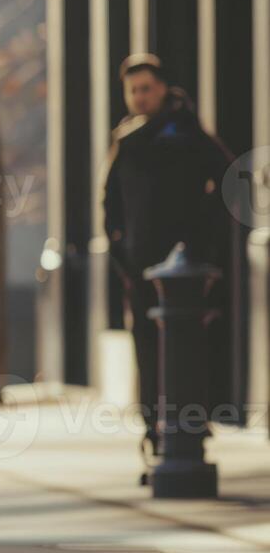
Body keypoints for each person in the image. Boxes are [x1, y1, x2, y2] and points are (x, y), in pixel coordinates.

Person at [103, 53, 232, 458]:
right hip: (140, 266)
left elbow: (228, 176)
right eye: (133, 90)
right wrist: (121, 251)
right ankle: (153, 430)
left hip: (188, 268)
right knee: (147, 347)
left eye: (146, 88)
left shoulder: (188, 131)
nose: (140, 97)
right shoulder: (125, 138)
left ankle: (190, 427)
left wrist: (203, 236)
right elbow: (109, 203)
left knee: (189, 346)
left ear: (162, 89)